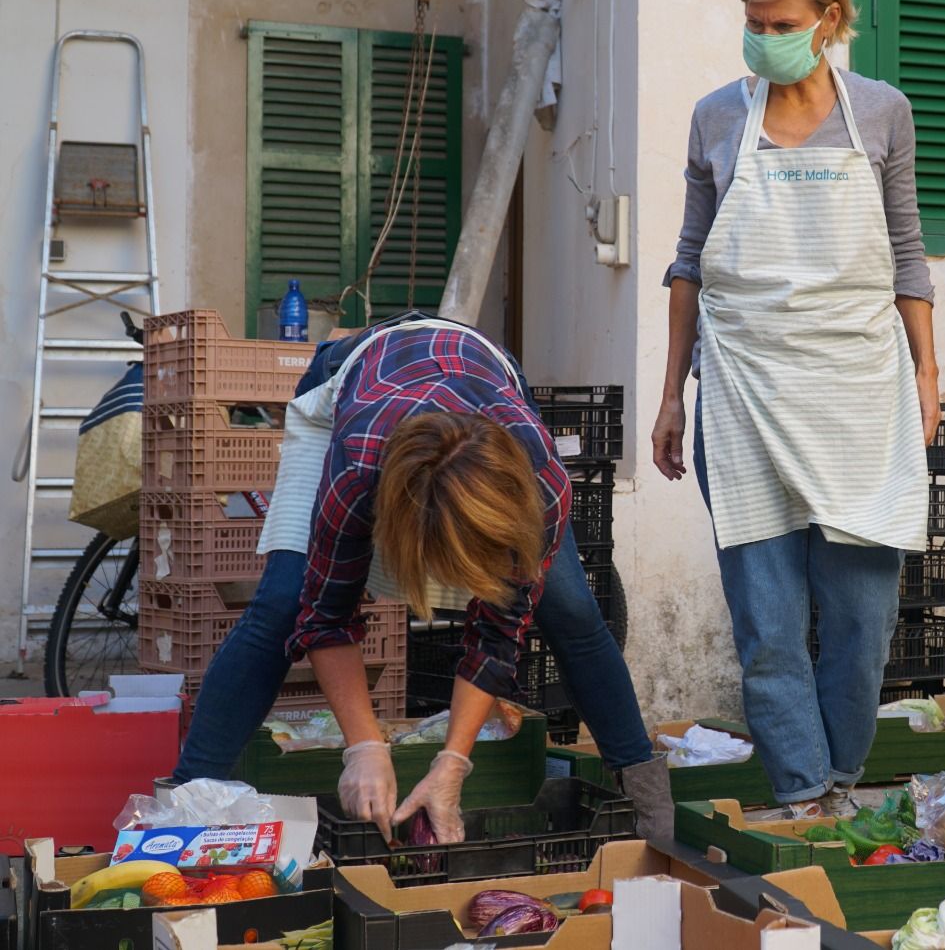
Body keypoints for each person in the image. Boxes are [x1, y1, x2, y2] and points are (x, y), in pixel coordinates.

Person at [172, 314, 674, 841]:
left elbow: (496, 636)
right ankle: (187, 803)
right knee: (281, 604)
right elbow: (326, 615)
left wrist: (452, 763)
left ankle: (646, 797)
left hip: (480, 371)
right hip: (348, 386)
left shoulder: (541, 483)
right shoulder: (356, 470)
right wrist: (364, 746)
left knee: (571, 610)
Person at [650, 0, 940, 816]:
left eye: (779, 22)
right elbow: (690, 261)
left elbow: (908, 256)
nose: (761, 36)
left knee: (860, 626)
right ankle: (805, 795)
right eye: (752, 21)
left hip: (858, 400)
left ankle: (841, 782)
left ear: (831, 22)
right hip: (741, 395)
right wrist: (672, 392)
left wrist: (927, 373)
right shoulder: (716, 119)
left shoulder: (884, 113)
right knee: (769, 630)